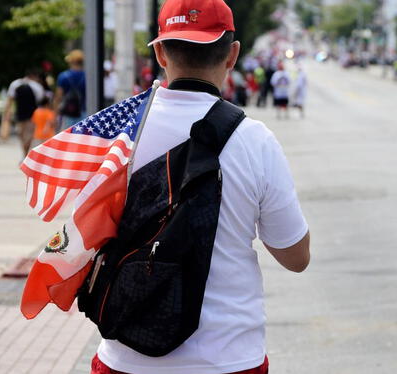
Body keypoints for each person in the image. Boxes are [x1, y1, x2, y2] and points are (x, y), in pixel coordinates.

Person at [91, 0, 310, 373]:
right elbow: (295, 257)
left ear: (160, 51)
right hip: (228, 357)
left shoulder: (116, 133)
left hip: (127, 358)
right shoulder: (255, 141)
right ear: (232, 55)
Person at [0, 68, 45, 157]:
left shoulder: (15, 83)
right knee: (29, 134)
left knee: (21, 133)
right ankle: (25, 153)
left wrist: (6, 113)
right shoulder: (37, 86)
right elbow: (40, 101)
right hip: (32, 114)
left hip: (19, 113)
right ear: (34, 76)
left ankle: (24, 153)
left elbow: (10, 100)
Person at [54, 49, 86, 131]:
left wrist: (55, 114)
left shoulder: (63, 76)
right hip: (85, 111)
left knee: (69, 137)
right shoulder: (87, 76)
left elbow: (58, 96)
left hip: (68, 111)